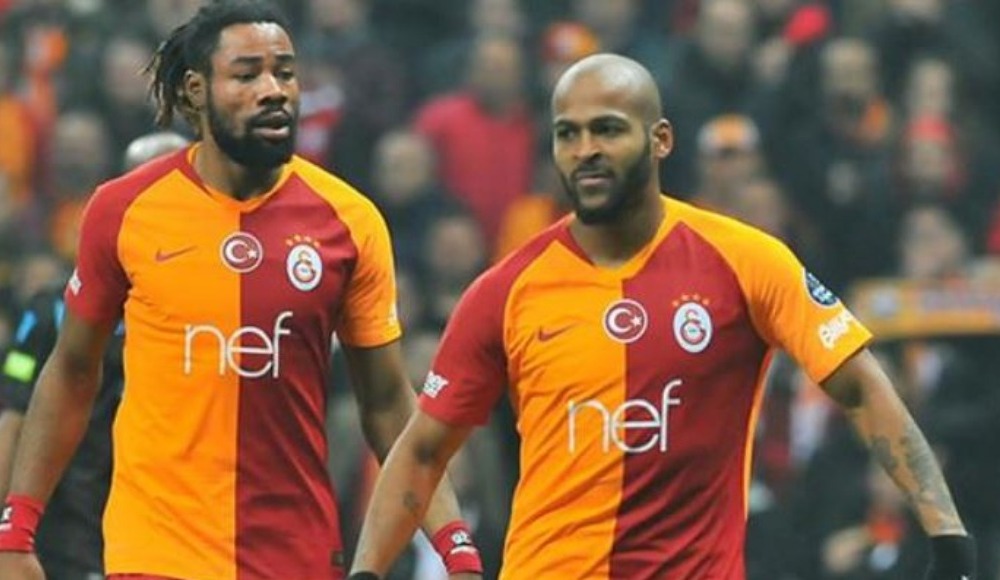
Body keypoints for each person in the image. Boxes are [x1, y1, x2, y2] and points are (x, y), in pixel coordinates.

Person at [348, 54, 976, 579]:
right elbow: (422, 449)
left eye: (608, 129)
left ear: (661, 140)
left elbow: (861, 388)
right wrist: (367, 572)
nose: (586, 151)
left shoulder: (747, 262)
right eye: (568, 134)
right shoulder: (505, 289)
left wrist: (945, 531)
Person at [0, 2, 481, 580]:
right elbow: (72, 371)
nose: (274, 90)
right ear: (196, 91)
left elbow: (386, 403)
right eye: (247, 74)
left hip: (295, 555)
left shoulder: (350, 222)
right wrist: (16, 530)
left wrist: (454, 545)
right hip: (156, 553)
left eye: (285, 72)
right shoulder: (124, 210)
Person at [0, 131, 188, 580]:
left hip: (181, 534)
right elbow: (14, 416)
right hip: (72, 537)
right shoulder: (54, 311)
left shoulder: (225, 314)